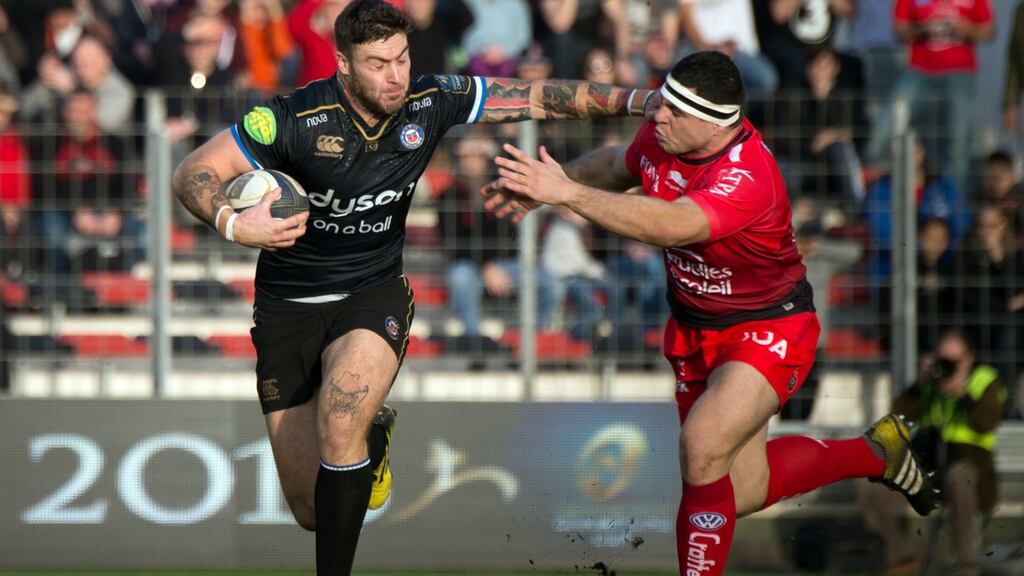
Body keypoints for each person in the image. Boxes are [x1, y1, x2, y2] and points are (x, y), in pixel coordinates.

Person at [170, 1, 657, 573]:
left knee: (341, 415)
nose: (396, 75)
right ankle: (373, 445)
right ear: (344, 65)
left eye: (401, 58)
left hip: (372, 291)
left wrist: (637, 99)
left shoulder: (430, 100)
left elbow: (531, 97)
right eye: (378, 63)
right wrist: (235, 222)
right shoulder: (292, 119)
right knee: (308, 507)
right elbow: (193, 173)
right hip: (288, 308)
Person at [481, 50, 938, 576]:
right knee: (744, 490)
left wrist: (566, 192)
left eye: (676, 111)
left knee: (700, 448)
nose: (659, 116)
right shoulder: (665, 134)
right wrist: (547, 190)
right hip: (696, 329)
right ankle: (877, 453)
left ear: (717, 124)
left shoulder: (748, 176)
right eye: (662, 103)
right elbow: (616, 165)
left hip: (768, 327)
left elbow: (673, 225)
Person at [860, 329, 1005, 576]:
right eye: (942, 360)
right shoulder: (930, 383)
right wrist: (919, 384)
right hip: (929, 463)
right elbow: (898, 416)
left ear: (969, 359)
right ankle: (902, 557)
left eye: (953, 362)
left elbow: (986, 422)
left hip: (970, 463)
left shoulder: (986, 380)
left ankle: (965, 563)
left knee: (962, 475)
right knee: (871, 489)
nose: (946, 368)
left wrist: (963, 395)